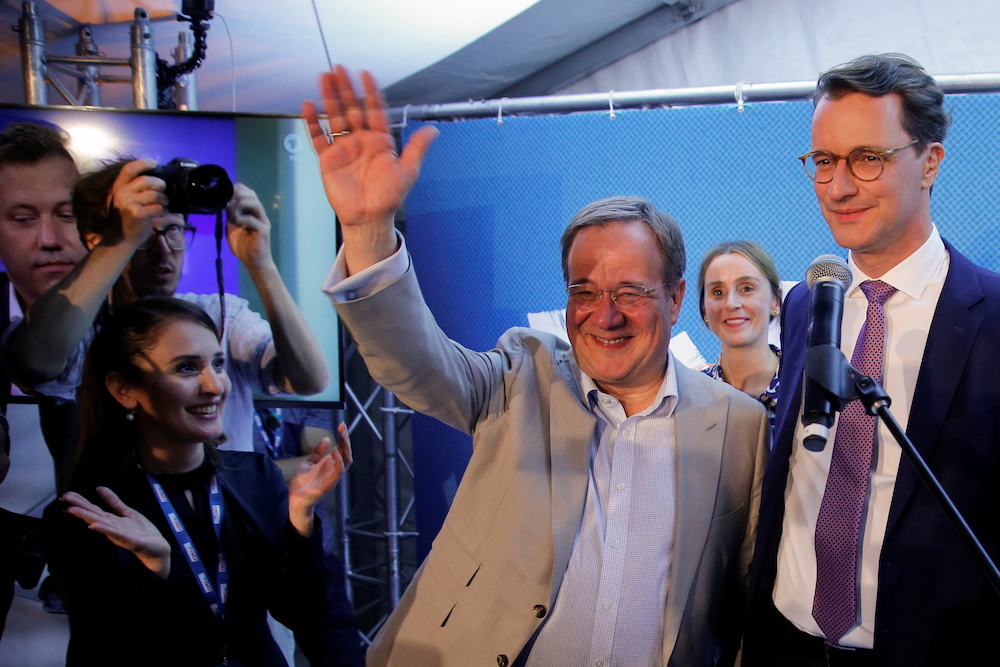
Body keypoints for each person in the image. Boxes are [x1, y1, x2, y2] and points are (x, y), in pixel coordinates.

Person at [306, 66, 770, 667]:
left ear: (676, 298)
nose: (605, 317)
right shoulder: (521, 377)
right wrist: (369, 232)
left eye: (630, 292)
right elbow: (414, 363)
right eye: (584, 292)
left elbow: (743, 603)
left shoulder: (740, 427)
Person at [743, 53, 1000, 666]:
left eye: (868, 158)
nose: (838, 187)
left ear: (930, 161)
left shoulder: (992, 318)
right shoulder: (808, 303)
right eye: (824, 162)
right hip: (787, 640)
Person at [42, 296, 351, 666]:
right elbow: (105, 649)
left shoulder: (255, 476)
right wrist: (156, 570)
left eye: (217, 364)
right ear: (124, 389)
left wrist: (300, 518)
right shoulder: (86, 512)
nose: (214, 385)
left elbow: (302, 612)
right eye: (187, 368)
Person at [3, 157, 329, 467]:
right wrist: (120, 239)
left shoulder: (219, 315)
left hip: (220, 520)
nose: (163, 251)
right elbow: (33, 363)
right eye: (145, 234)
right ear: (96, 240)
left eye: (174, 231)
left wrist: (261, 263)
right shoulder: (79, 329)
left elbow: (309, 380)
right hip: (112, 519)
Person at [697, 240, 782, 429]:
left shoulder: (807, 388)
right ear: (705, 310)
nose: (732, 304)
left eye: (747, 288)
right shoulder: (690, 398)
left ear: (775, 301)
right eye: (718, 292)